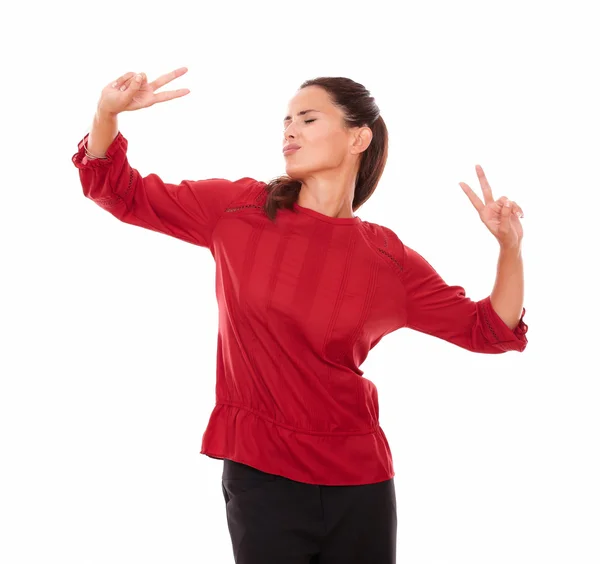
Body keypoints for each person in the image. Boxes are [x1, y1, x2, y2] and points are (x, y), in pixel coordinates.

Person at [72, 67, 528, 564]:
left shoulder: (388, 259)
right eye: (286, 120)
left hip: (361, 482)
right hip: (262, 474)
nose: (289, 130)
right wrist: (106, 114)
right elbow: (119, 191)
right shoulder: (238, 210)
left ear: (359, 137)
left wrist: (509, 248)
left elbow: (489, 331)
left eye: (307, 119)